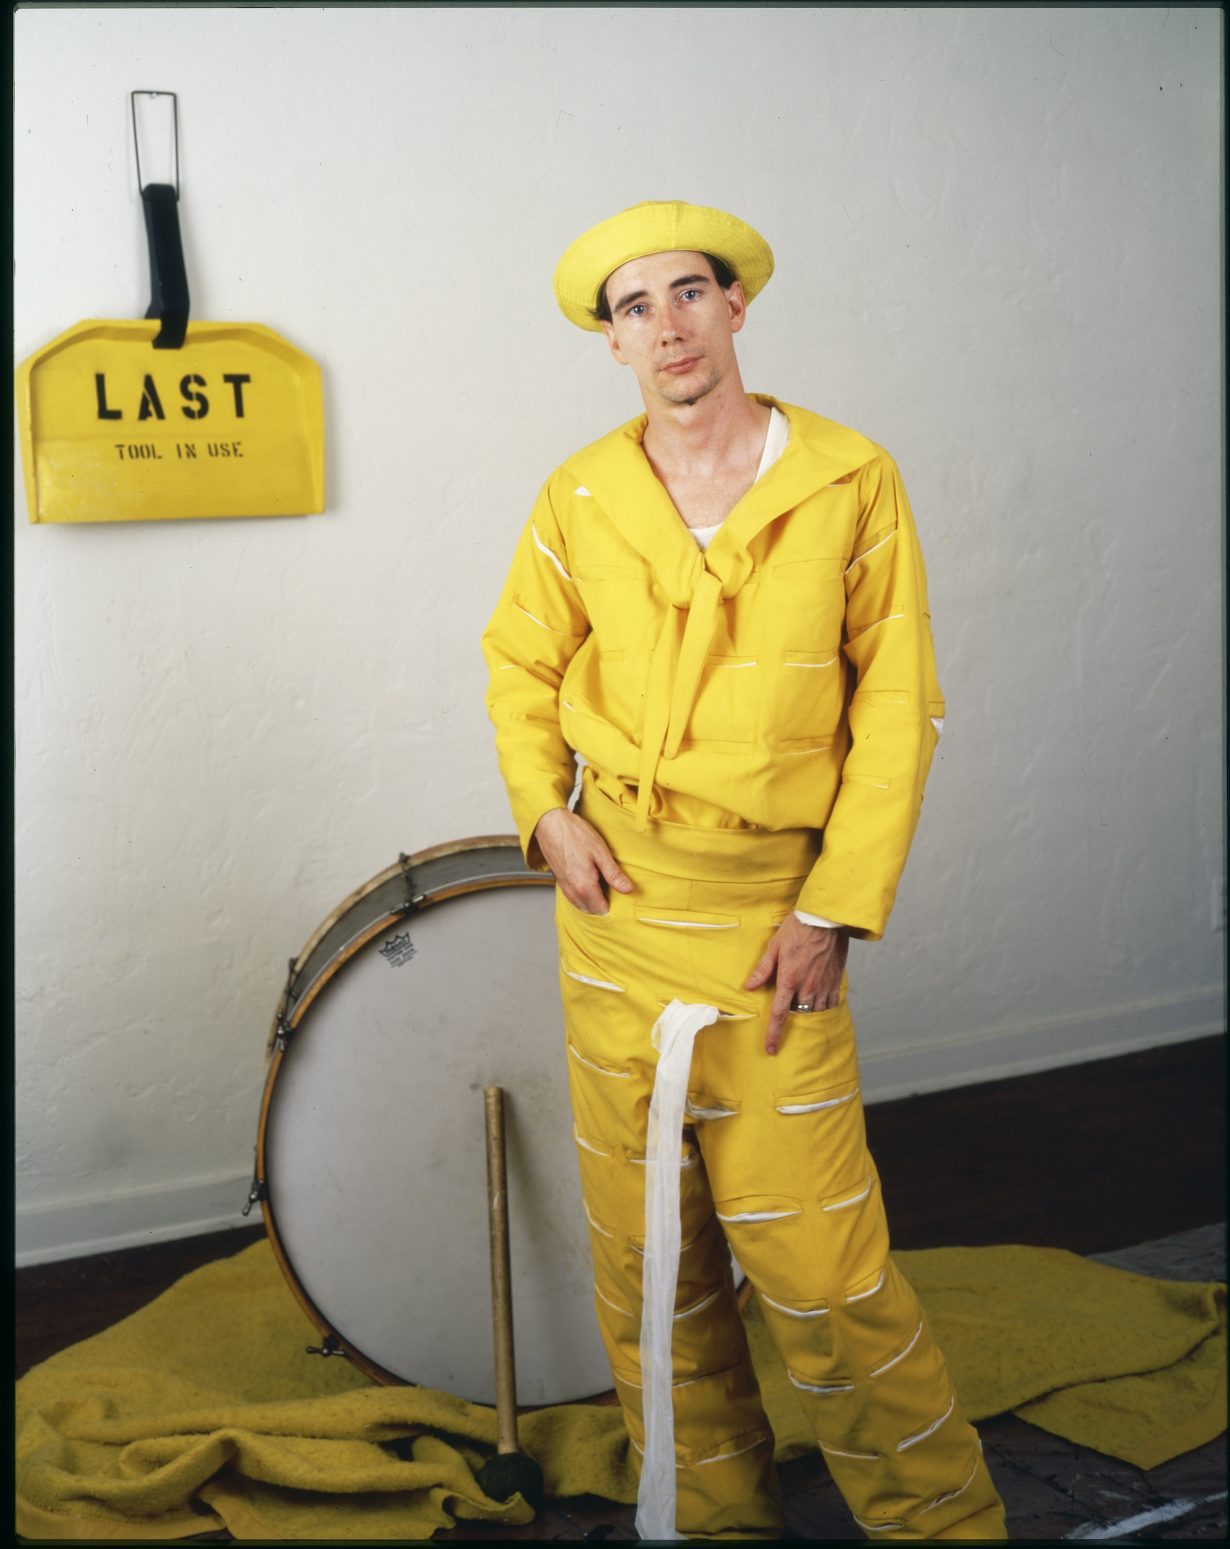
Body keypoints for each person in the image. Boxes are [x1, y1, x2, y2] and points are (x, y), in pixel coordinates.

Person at [482, 201, 1006, 1542]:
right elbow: (519, 661)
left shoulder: (848, 476)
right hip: (615, 919)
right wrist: (546, 813)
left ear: (734, 309)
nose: (664, 326)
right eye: (632, 309)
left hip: (775, 916)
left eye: (685, 295)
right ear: (611, 344)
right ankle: (710, 1515)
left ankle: (940, 1524)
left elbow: (896, 705)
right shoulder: (580, 493)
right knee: (652, 1260)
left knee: (823, 1268)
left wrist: (832, 907)